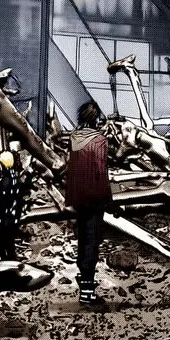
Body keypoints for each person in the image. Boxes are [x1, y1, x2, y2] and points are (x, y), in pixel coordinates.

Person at [65, 101, 112, 306]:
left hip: (78, 196)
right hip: (94, 197)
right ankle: (87, 294)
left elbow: (72, 169)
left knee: (83, 240)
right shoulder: (100, 140)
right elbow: (101, 171)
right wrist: (108, 200)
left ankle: (84, 285)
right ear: (96, 118)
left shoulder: (74, 138)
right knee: (92, 242)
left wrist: (70, 198)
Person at [0, 145, 26, 262]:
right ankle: (11, 258)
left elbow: (2, 201)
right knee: (9, 241)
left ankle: (3, 259)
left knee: (1, 240)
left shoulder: (5, 181)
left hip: (4, 217)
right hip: (11, 217)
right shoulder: (14, 177)